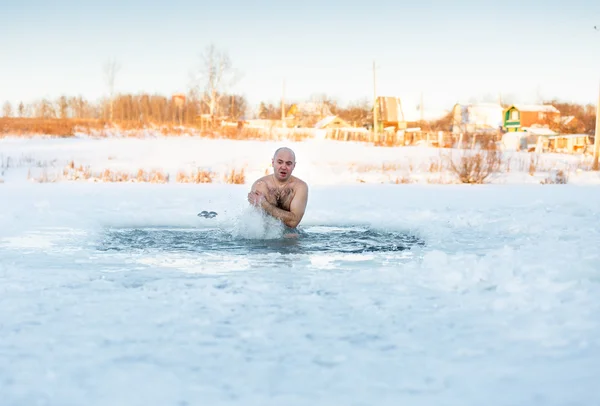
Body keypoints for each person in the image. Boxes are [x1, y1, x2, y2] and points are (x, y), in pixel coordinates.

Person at [247, 147, 308, 232]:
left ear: (294, 166)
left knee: (292, 235)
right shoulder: (261, 185)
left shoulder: (299, 187)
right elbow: (257, 224)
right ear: (273, 163)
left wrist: (265, 204)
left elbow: (294, 222)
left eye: (288, 163)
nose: (283, 167)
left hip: (289, 237)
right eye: (280, 162)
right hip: (266, 238)